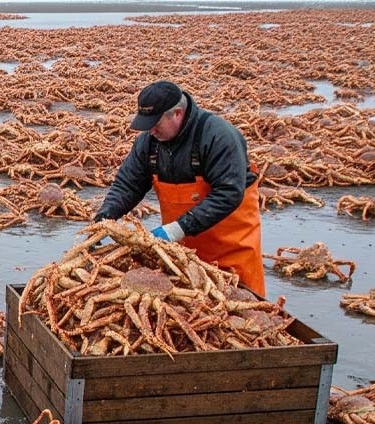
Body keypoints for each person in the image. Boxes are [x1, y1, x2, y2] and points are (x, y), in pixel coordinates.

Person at [94, 80, 266, 296]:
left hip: (230, 251)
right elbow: (127, 184)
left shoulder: (219, 136)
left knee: (242, 307)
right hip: (180, 255)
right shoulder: (149, 142)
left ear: (176, 113)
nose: (151, 130)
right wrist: (105, 218)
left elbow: (228, 193)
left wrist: (177, 228)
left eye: (155, 123)